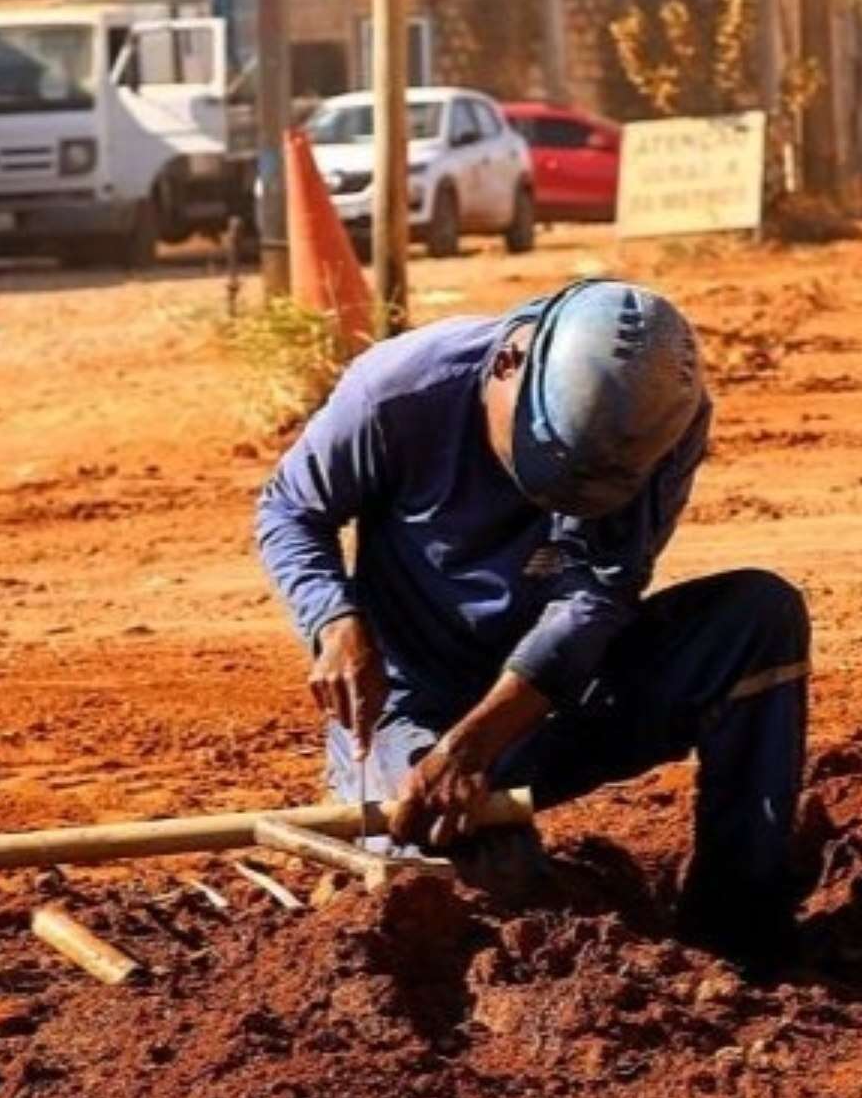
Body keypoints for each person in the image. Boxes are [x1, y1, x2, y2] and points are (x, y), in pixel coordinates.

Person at [256, 280, 811, 967]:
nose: (564, 503)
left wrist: (477, 746)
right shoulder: (398, 392)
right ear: (508, 366)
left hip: (557, 698)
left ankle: (737, 931)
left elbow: (598, 596)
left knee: (757, 621)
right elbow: (290, 511)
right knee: (473, 877)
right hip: (410, 709)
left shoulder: (661, 420)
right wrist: (333, 618)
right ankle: (421, 824)